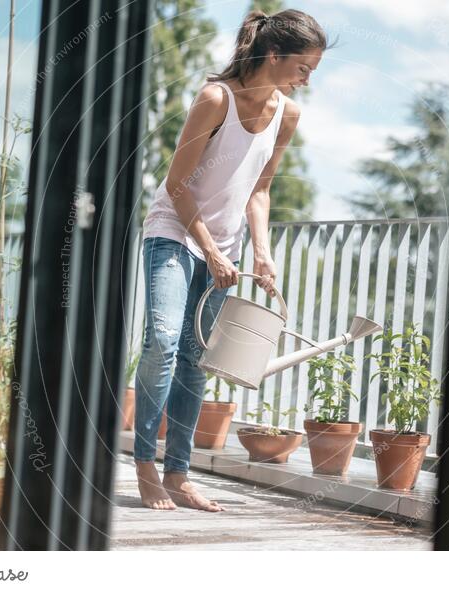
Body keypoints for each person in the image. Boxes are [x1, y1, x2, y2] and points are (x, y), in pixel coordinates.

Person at [134, 8, 331, 511]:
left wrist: (261, 253)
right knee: (161, 341)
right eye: (304, 67)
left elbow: (260, 190)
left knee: (198, 360)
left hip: (226, 248)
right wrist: (211, 248)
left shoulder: (286, 113)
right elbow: (177, 185)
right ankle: (143, 465)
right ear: (273, 54)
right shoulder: (215, 98)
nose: (309, 78)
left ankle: (179, 474)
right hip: (174, 233)